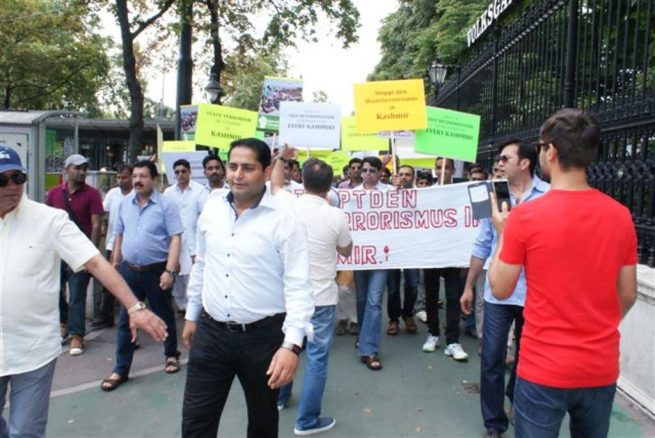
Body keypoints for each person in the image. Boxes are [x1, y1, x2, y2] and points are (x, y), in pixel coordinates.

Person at [488, 109, 637, 437]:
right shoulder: (620, 216)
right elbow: (627, 294)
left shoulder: (525, 218)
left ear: (551, 152)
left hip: (543, 365)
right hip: (599, 364)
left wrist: (502, 234)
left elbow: (500, 288)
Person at [0, 146, 167, 437]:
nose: (12, 186)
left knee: (25, 432)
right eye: (2, 180)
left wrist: (134, 307)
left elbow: (95, 261)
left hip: (33, 351)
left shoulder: (49, 220)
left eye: (18, 177)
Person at [181, 138, 314, 437]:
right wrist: (192, 315)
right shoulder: (212, 209)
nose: (237, 175)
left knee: (263, 422)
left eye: (248, 168)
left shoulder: (285, 219)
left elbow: (298, 285)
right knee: (195, 421)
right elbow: (202, 263)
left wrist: (291, 346)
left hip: (263, 339)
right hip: (210, 333)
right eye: (233, 167)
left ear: (267, 172)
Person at [460, 140, 549, 438]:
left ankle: (517, 398)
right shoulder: (491, 195)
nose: (499, 163)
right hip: (498, 292)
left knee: (527, 358)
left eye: (504, 158)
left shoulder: (549, 197)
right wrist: (469, 285)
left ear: (524, 163)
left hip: (535, 293)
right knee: (491, 357)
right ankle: (494, 423)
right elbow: (482, 242)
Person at [271, 151, 353, 436]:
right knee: (317, 358)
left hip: (286, 297)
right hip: (320, 298)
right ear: (330, 185)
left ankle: (279, 399)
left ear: (301, 180)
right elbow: (346, 249)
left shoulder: (285, 204)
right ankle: (306, 421)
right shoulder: (337, 215)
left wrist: (282, 157)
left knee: (285, 348)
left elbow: (275, 184)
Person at [101, 160, 183, 391]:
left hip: (156, 271)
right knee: (127, 321)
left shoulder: (166, 205)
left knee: (163, 314)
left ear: (154, 179)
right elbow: (118, 234)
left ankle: (170, 354)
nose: (137, 180)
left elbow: (175, 238)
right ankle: (121, 368)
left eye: (143, 176)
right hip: (129, 270)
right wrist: (115, 263)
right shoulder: (124, 203)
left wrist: (169, 270)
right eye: (135, 176)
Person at [46, 153, 104, 355]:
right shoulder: (53, 193)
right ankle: (63, 324)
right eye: (77, 168)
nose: (82, 172)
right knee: (54, 290)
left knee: (77, 294)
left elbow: (96, 225)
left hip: (79, 252)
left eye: (84, 168)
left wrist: (90, 254)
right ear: (67, 169)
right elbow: (48, 223)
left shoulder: (92, 194)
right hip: (56, 251)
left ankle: (77, 335)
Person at [422, 157, 468, 360]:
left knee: (452, 296)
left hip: (453, 252)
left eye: (446, 168)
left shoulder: (462, 192)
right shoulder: (427, 193)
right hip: (432, 252)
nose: (442, 171)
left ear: (453, 170)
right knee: (431, 295)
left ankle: (453, 341)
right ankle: (433, 334)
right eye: (439, 167)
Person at [353, 156, 389, 371]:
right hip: (359, 255)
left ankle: (369, 349)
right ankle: (362, 335)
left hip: (382, 256)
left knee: (374, 301)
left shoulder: (389, 193)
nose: (367, 173)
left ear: (379, 172)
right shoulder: (351, 194)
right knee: (361, 299)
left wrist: (402, 190)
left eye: (372, 170)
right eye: (364, 170)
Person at [164, 159, 208, 315]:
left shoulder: (200, 191)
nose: (180, 174)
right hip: (174, 243)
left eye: (183, 171)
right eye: (177, 172)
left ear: (190, 172)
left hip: (194, 243)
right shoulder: (168, 193)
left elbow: (205, 218)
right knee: (177, 281)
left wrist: (199, 247)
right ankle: (182, 308)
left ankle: (193, 310)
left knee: (193, 280)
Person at [92, 163, 133, 329]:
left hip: (130, 246)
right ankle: (106, 315)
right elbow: (104, 213)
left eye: (124, 177)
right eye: (118, 177)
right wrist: (103, 228)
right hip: (111, 244)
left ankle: (130, 318)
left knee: (130, 284)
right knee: (109, 281)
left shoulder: (136, 195)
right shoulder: (112, 194)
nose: (120, 181)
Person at [386, 165, 419, 336]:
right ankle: (393, 318)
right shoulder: (389, 194)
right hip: (392, 247)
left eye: (408, 174)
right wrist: (394, 190)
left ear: (413, 177)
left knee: (412, 284)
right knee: (392, 286)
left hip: (412, 247)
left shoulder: (420, 195)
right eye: (401, 174)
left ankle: (408, 314)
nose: (404, 177)